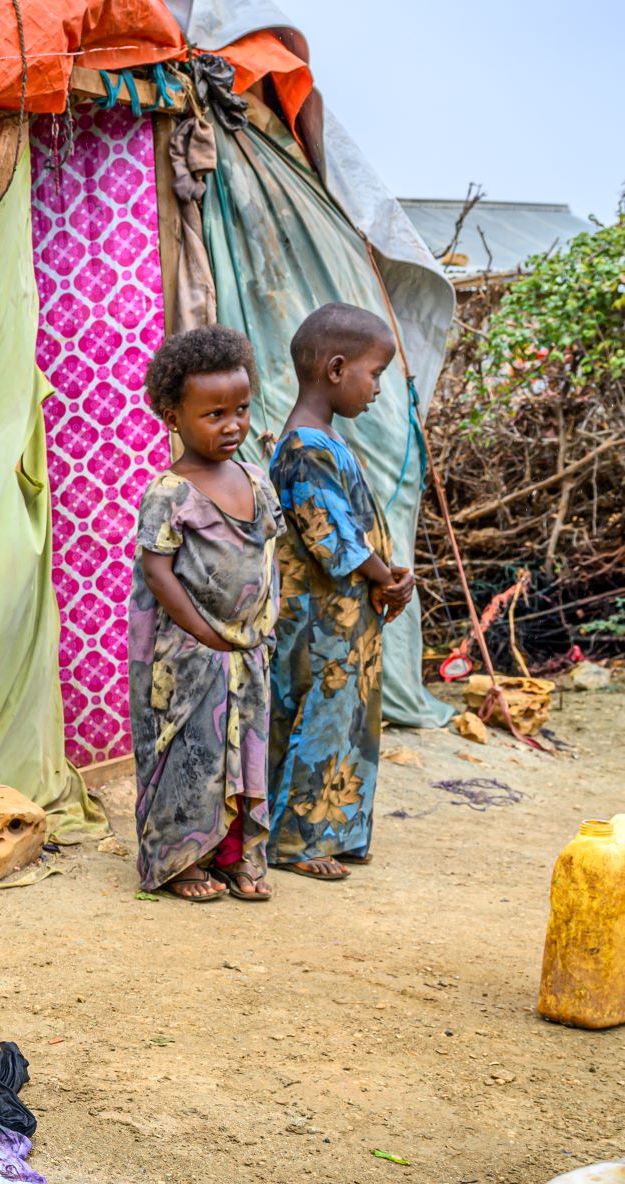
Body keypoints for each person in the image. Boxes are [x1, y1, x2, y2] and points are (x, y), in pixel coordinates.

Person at [128, 325, 282, 903]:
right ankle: (182, 860)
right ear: (174, 415)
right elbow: (157, 570)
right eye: (214, 414)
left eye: (240, 409)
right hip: (190, 654)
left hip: (247, 650)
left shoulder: (257, 482)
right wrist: (203, 632)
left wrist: (265, 623)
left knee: (247, 751)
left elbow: (269, 555)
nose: (232, 425)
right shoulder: (170, 493)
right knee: (192, 751)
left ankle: (238, 856)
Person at [266, 303, 414, 881]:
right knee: (316, 719)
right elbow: (330, 538)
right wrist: (386, 575)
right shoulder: (304, 446)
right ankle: (296, 843)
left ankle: (338, 831)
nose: (377, 388)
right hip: (317, 622)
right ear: (335, 368)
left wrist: (388, 576)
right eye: (374, 373)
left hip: (347, 620)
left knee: (348, 718)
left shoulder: (325, 439)